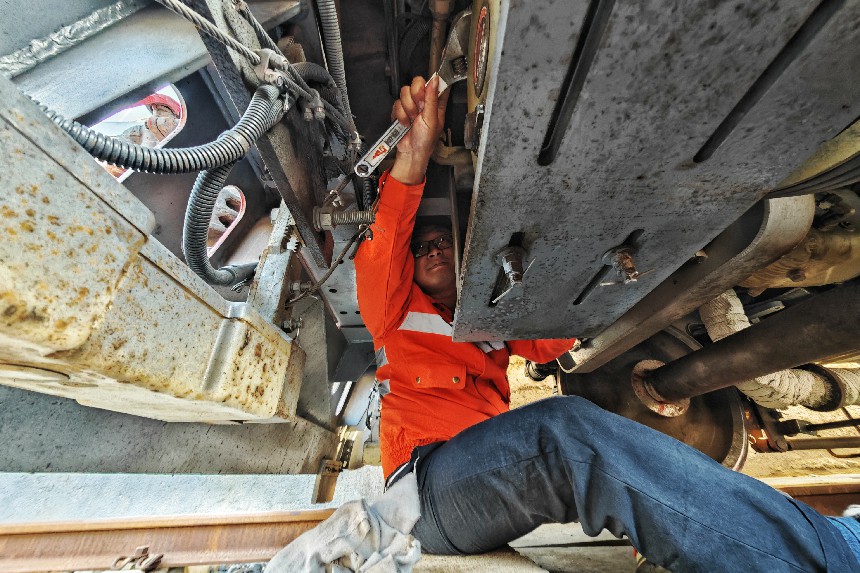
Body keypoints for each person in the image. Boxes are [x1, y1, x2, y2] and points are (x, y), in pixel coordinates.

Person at [352, 77, 860, 572]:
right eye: (423, 248)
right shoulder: (392, 312)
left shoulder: (489, 319)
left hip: (484, 478)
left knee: (578, 434)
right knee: (565, 432)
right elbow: (386, 239)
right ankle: (828, 556)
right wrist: (414, 155)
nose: (434, 248)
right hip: (427, 493)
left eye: (444, 242)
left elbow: (554, 339)